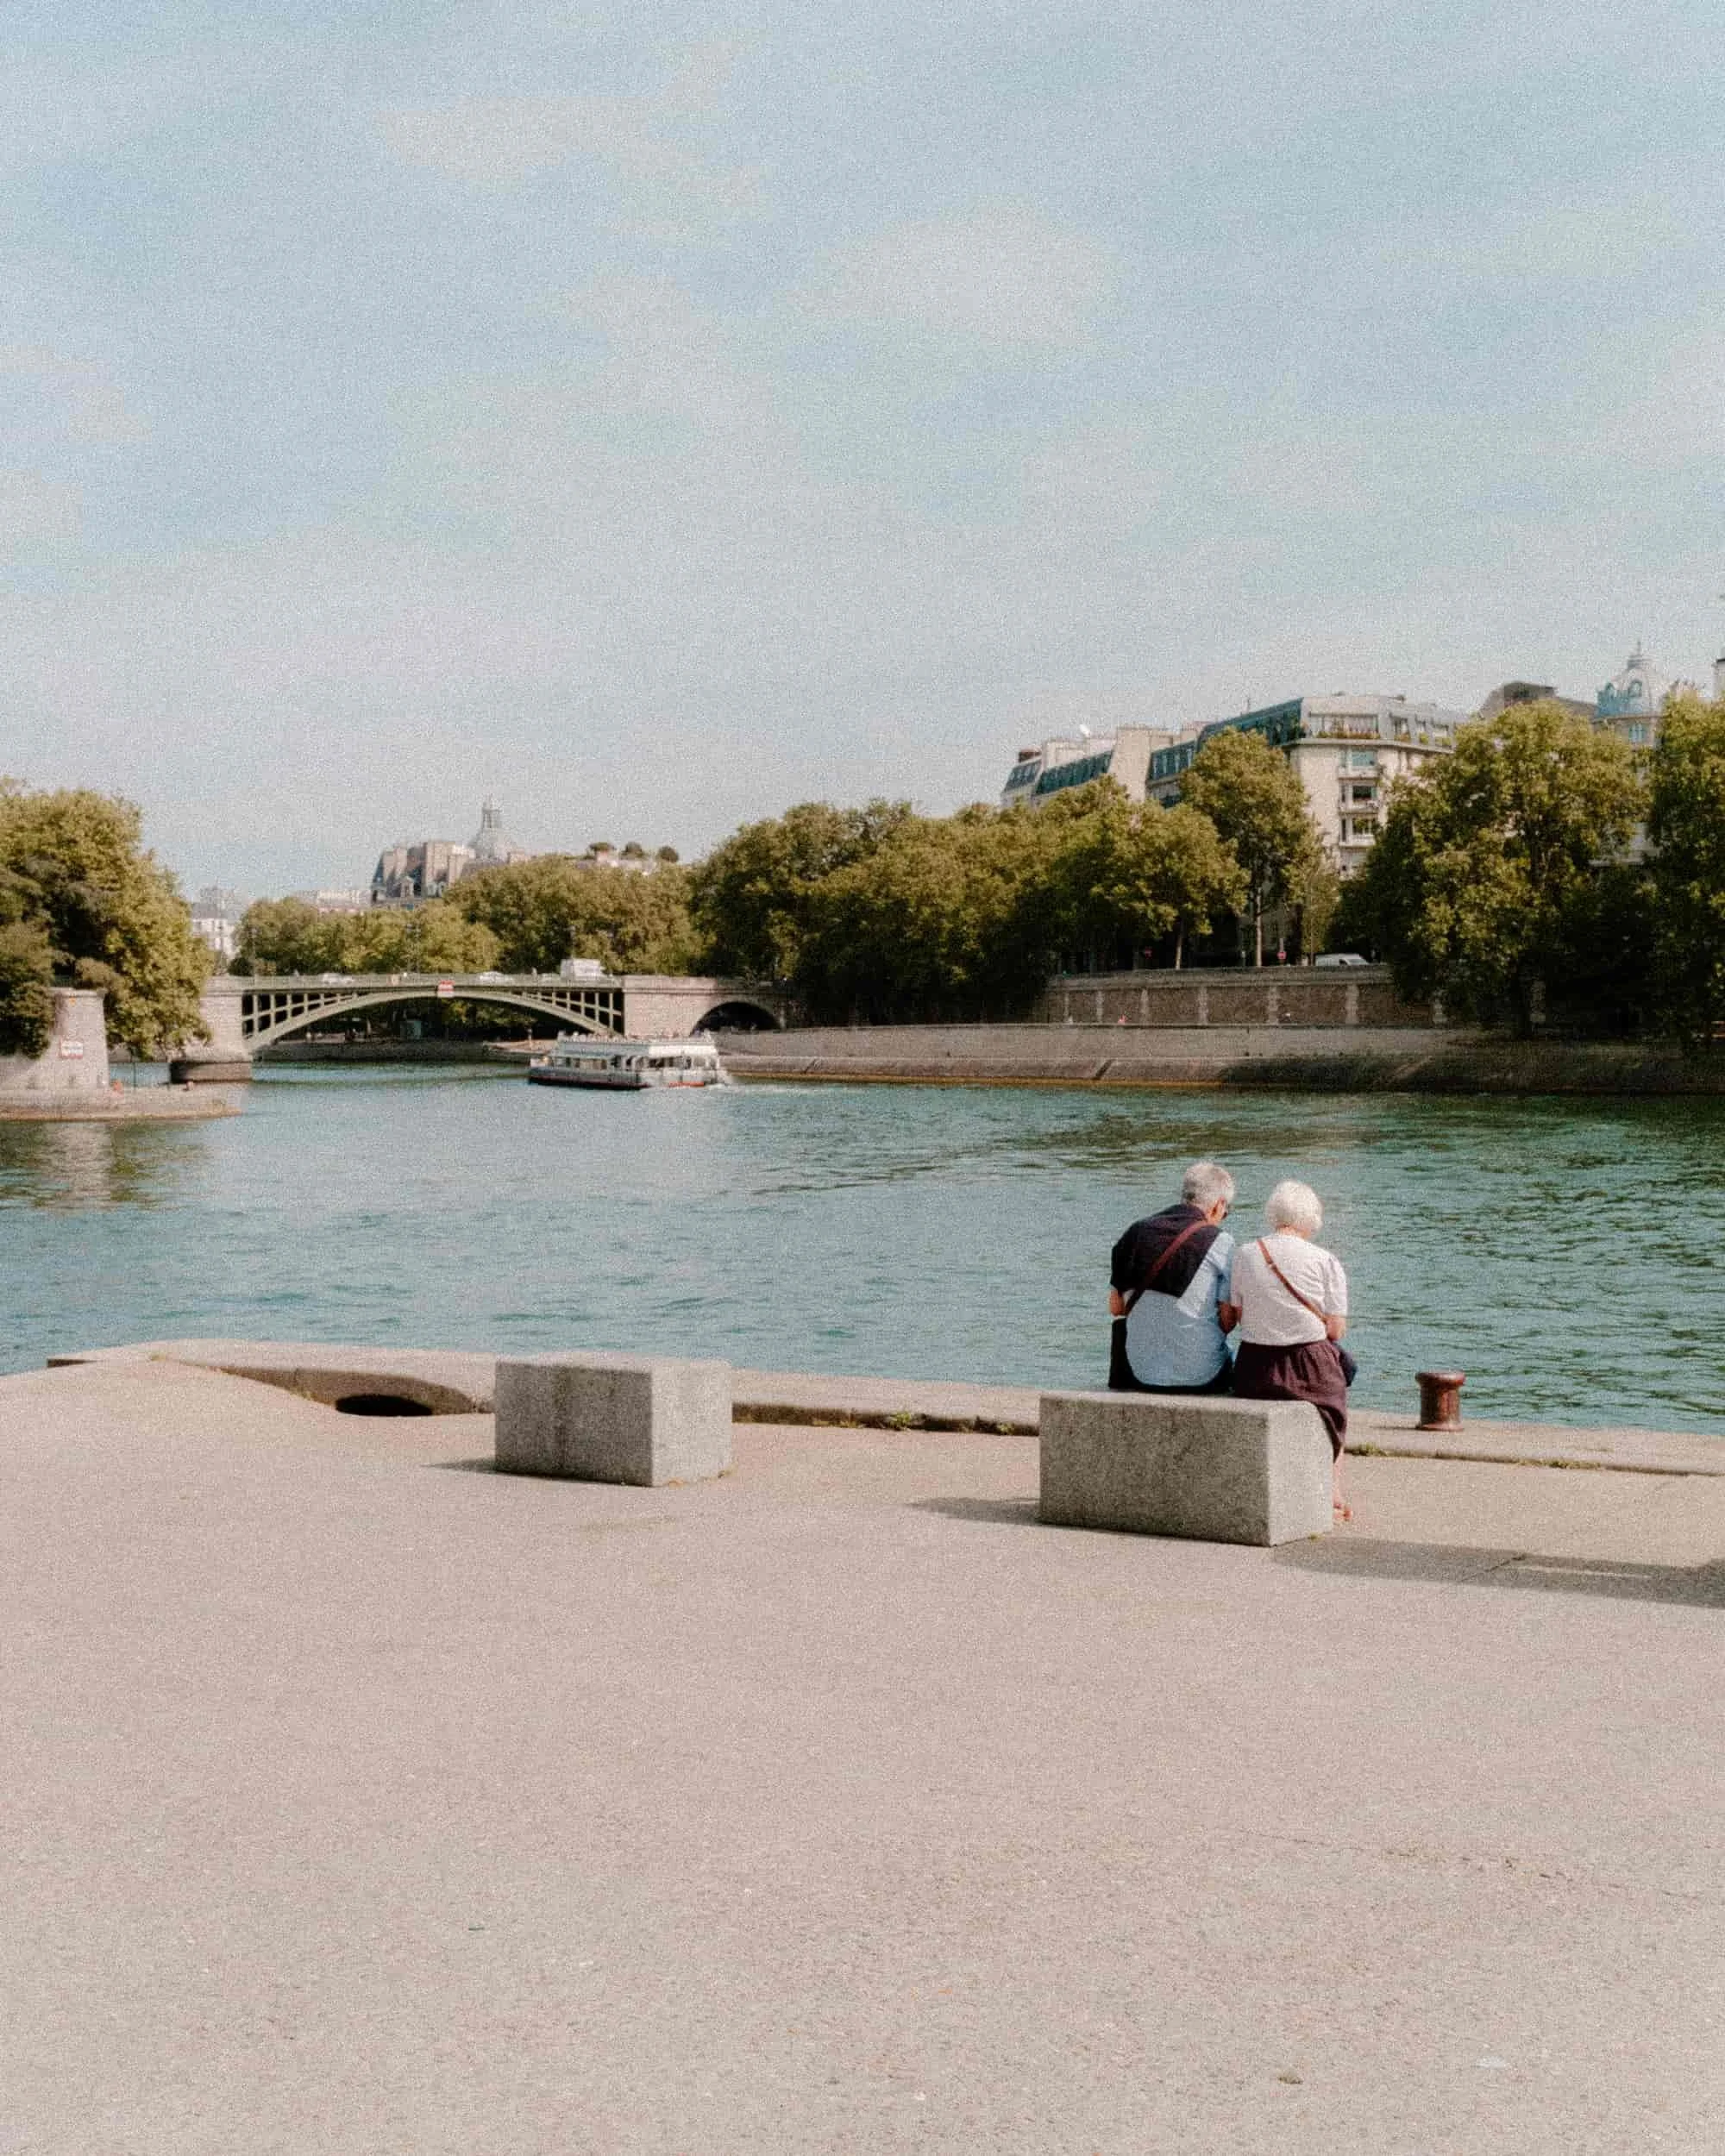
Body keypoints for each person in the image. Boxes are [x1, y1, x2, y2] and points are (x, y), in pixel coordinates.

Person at [1220, 1179, 1352, 1520]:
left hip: (1254, 1366)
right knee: (1336, 1405)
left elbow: (1237, 1314)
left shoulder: (1246, 1254)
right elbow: (1335, 1330)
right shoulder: (1325, 1260)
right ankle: (1332, 1489)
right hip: (1310, 1364)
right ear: (1311, 1218)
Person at [1107, 1161, 1237, 1395]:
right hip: (1202, 1378)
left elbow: (1116, 1308)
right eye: (1226, 1212)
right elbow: (1227, 1322)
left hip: (1139, 1374)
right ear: (1218, 1205)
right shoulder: (1221, 1242)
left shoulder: (1135, 1233)